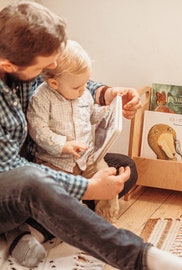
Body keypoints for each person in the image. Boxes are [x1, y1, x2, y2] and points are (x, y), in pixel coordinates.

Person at [0, 1, 182, 270]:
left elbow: (60, 79)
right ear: (7, 64)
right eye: (44, 65)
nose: (52, 65)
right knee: (34, 181)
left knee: (123, 168)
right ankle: (141, 258)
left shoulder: (22, 67)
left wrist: (107, 94)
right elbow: (12, 170)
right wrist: (89, 188)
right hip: (15, 179)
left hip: (38, 166)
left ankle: (32, 231)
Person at [27, 39, 119, 224]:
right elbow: (38, 130)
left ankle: (105, 219)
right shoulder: (41, 98)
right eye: (78, 87)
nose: (84, 90)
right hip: (56, 162)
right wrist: (63, 145)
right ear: (54, 83)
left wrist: (105, 113)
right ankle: (73, 219)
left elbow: (90, 114)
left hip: (87, 158)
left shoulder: (83, 93)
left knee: (109, 175)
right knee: (62, 195)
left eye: (85, 84)